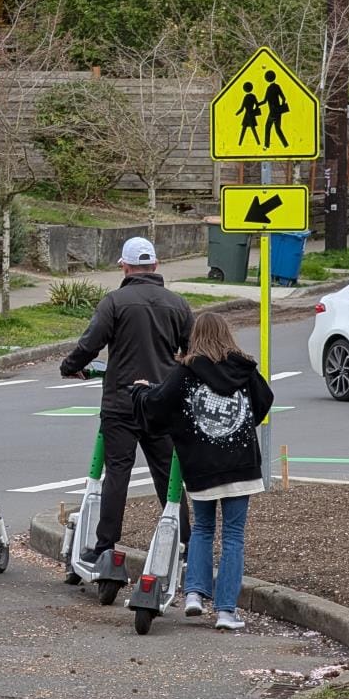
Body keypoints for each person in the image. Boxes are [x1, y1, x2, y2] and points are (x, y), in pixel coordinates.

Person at [131, 312, 273, 630]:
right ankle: (226, 612)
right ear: (227, 335)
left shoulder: (186, 372)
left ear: (196, 336)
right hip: (241, 466)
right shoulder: (245, 369)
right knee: (233, 536)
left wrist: (141, 391)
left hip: (202, 468)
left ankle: (194, 594)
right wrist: (244, 424)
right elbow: (265, 400)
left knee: (203, 530)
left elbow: (159, 402)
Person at [60, 236, 193, 565]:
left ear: (125, 266)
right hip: (161, 402)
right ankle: (188, 543)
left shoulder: (115, 302)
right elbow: (193, 351)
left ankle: (105, 546)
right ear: (156, 266)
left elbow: (91, 342)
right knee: (167, 475)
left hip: (122, 402)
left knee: (117, 472)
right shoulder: (178, 304)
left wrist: (71, 367)